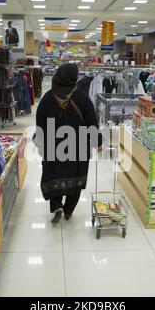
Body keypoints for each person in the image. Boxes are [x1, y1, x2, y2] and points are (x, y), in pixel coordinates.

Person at [34, 63, 103, 224]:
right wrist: (98, 143)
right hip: (78, 148)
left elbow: (40, 123)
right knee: (76, 179)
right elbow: (92, 123)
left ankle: (57, 204)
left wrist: (40, 142)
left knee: (53, 175)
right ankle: (68, 210)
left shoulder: (47, 98)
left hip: (53, 147)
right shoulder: (82, 98)